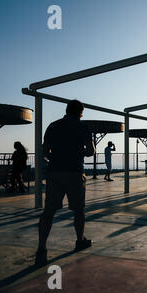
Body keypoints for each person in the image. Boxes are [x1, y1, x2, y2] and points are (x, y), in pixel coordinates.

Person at [35, 100, 95, 267]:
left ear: (67, 110)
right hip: (75, 172)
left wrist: (55, 156)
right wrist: (77, 152)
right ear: (80, 112)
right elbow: (91, 151)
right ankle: (79, 240)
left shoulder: (53, 126)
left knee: (48, 212)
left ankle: (41, 248)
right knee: (78, 210)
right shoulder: (83, 127)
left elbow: (45, 152)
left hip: (55, 173)